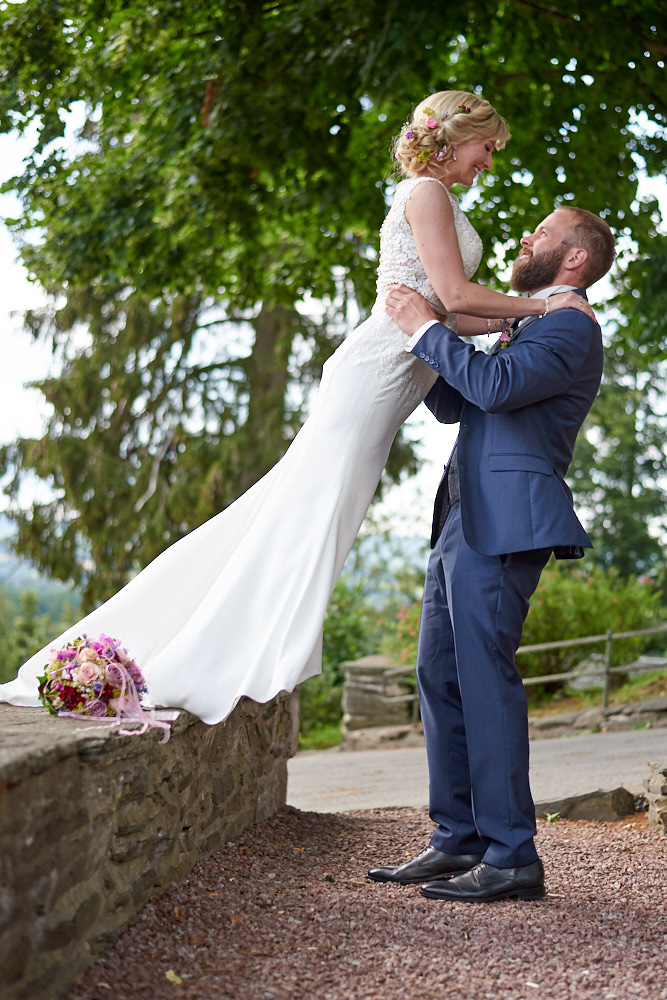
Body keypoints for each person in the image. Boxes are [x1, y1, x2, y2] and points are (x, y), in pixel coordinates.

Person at [0, 91, 591, 727]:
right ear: (454, 136)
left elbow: (452, 309)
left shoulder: (441, 200)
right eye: (486, 149)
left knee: (310, 515)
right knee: (305, 513)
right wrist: (546, 305)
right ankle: (206, 655)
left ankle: (234, 644)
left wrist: (522, 316)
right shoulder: (425, 194)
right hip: (373, 375)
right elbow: (450, 292)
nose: (488, 163)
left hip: (398, 375)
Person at [367, 205, 615, 902]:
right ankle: (457, 839)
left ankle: (511, 854)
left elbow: (495, 387)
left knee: (483, 679)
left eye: (541, 232)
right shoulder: (530, 323)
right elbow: (457, 402)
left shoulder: (570, 325)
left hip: (509, 522)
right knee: (438, 677)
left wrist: (425, 326)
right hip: (459, 516)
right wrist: (429, 335)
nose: (525, 238)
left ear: (573, 258)